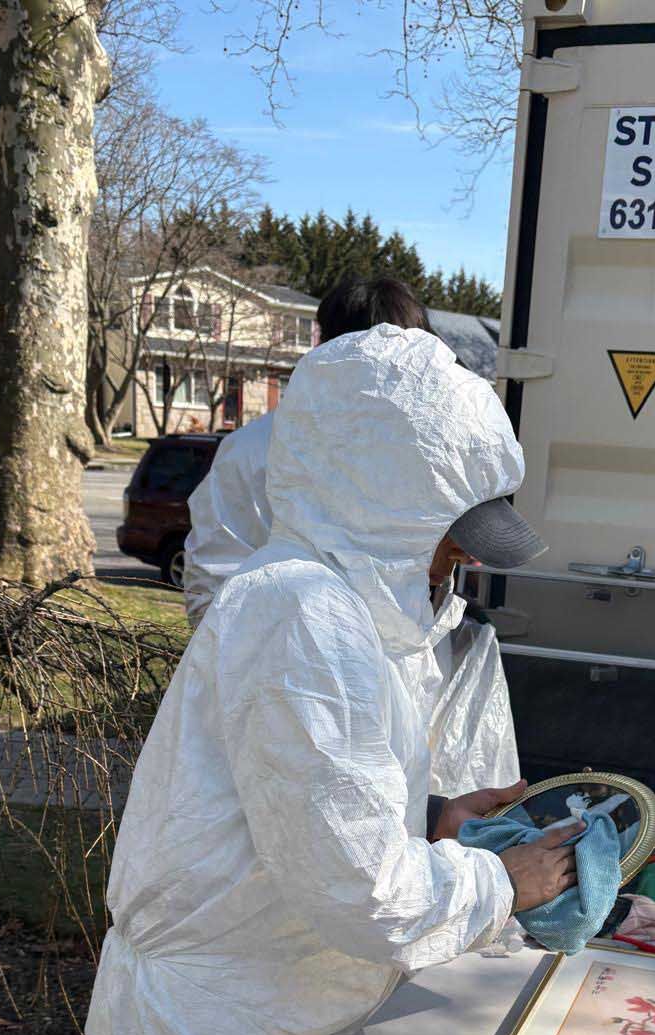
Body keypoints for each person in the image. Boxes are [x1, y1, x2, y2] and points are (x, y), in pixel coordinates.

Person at [86, 324, 581, 1035]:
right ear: (382, 509)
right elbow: (359, 887)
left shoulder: (340, 618)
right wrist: (501, 880)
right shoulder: (301, 616)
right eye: (452, 528)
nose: (461, 555)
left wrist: (434, 818)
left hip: (277, 1015)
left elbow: (296, 811)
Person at [184, 276, 521, 794]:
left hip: (389, 693)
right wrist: (276, 660)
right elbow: (216, 586)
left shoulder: (412, 453)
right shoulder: (258, 454)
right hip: (293, 689)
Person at [182, 278, 432, 631]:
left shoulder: (423, 452)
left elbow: (209, 576)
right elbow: (214, 581)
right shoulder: (257, 448)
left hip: (359, 665)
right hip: (276, 662)